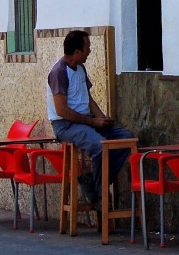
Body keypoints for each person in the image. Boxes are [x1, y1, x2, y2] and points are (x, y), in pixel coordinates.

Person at [47, 29, 133, 208]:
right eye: (87, 48)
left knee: (126, 139)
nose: (90, 51)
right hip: (66, 125)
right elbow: (62, 110)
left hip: (86, 120)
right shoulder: (59, 72)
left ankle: (93, 181)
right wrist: (93, 122)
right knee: (101, 147)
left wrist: (101, 117)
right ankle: (100, 194)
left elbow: (88, 98)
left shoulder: (80, 68)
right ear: (77, 52)